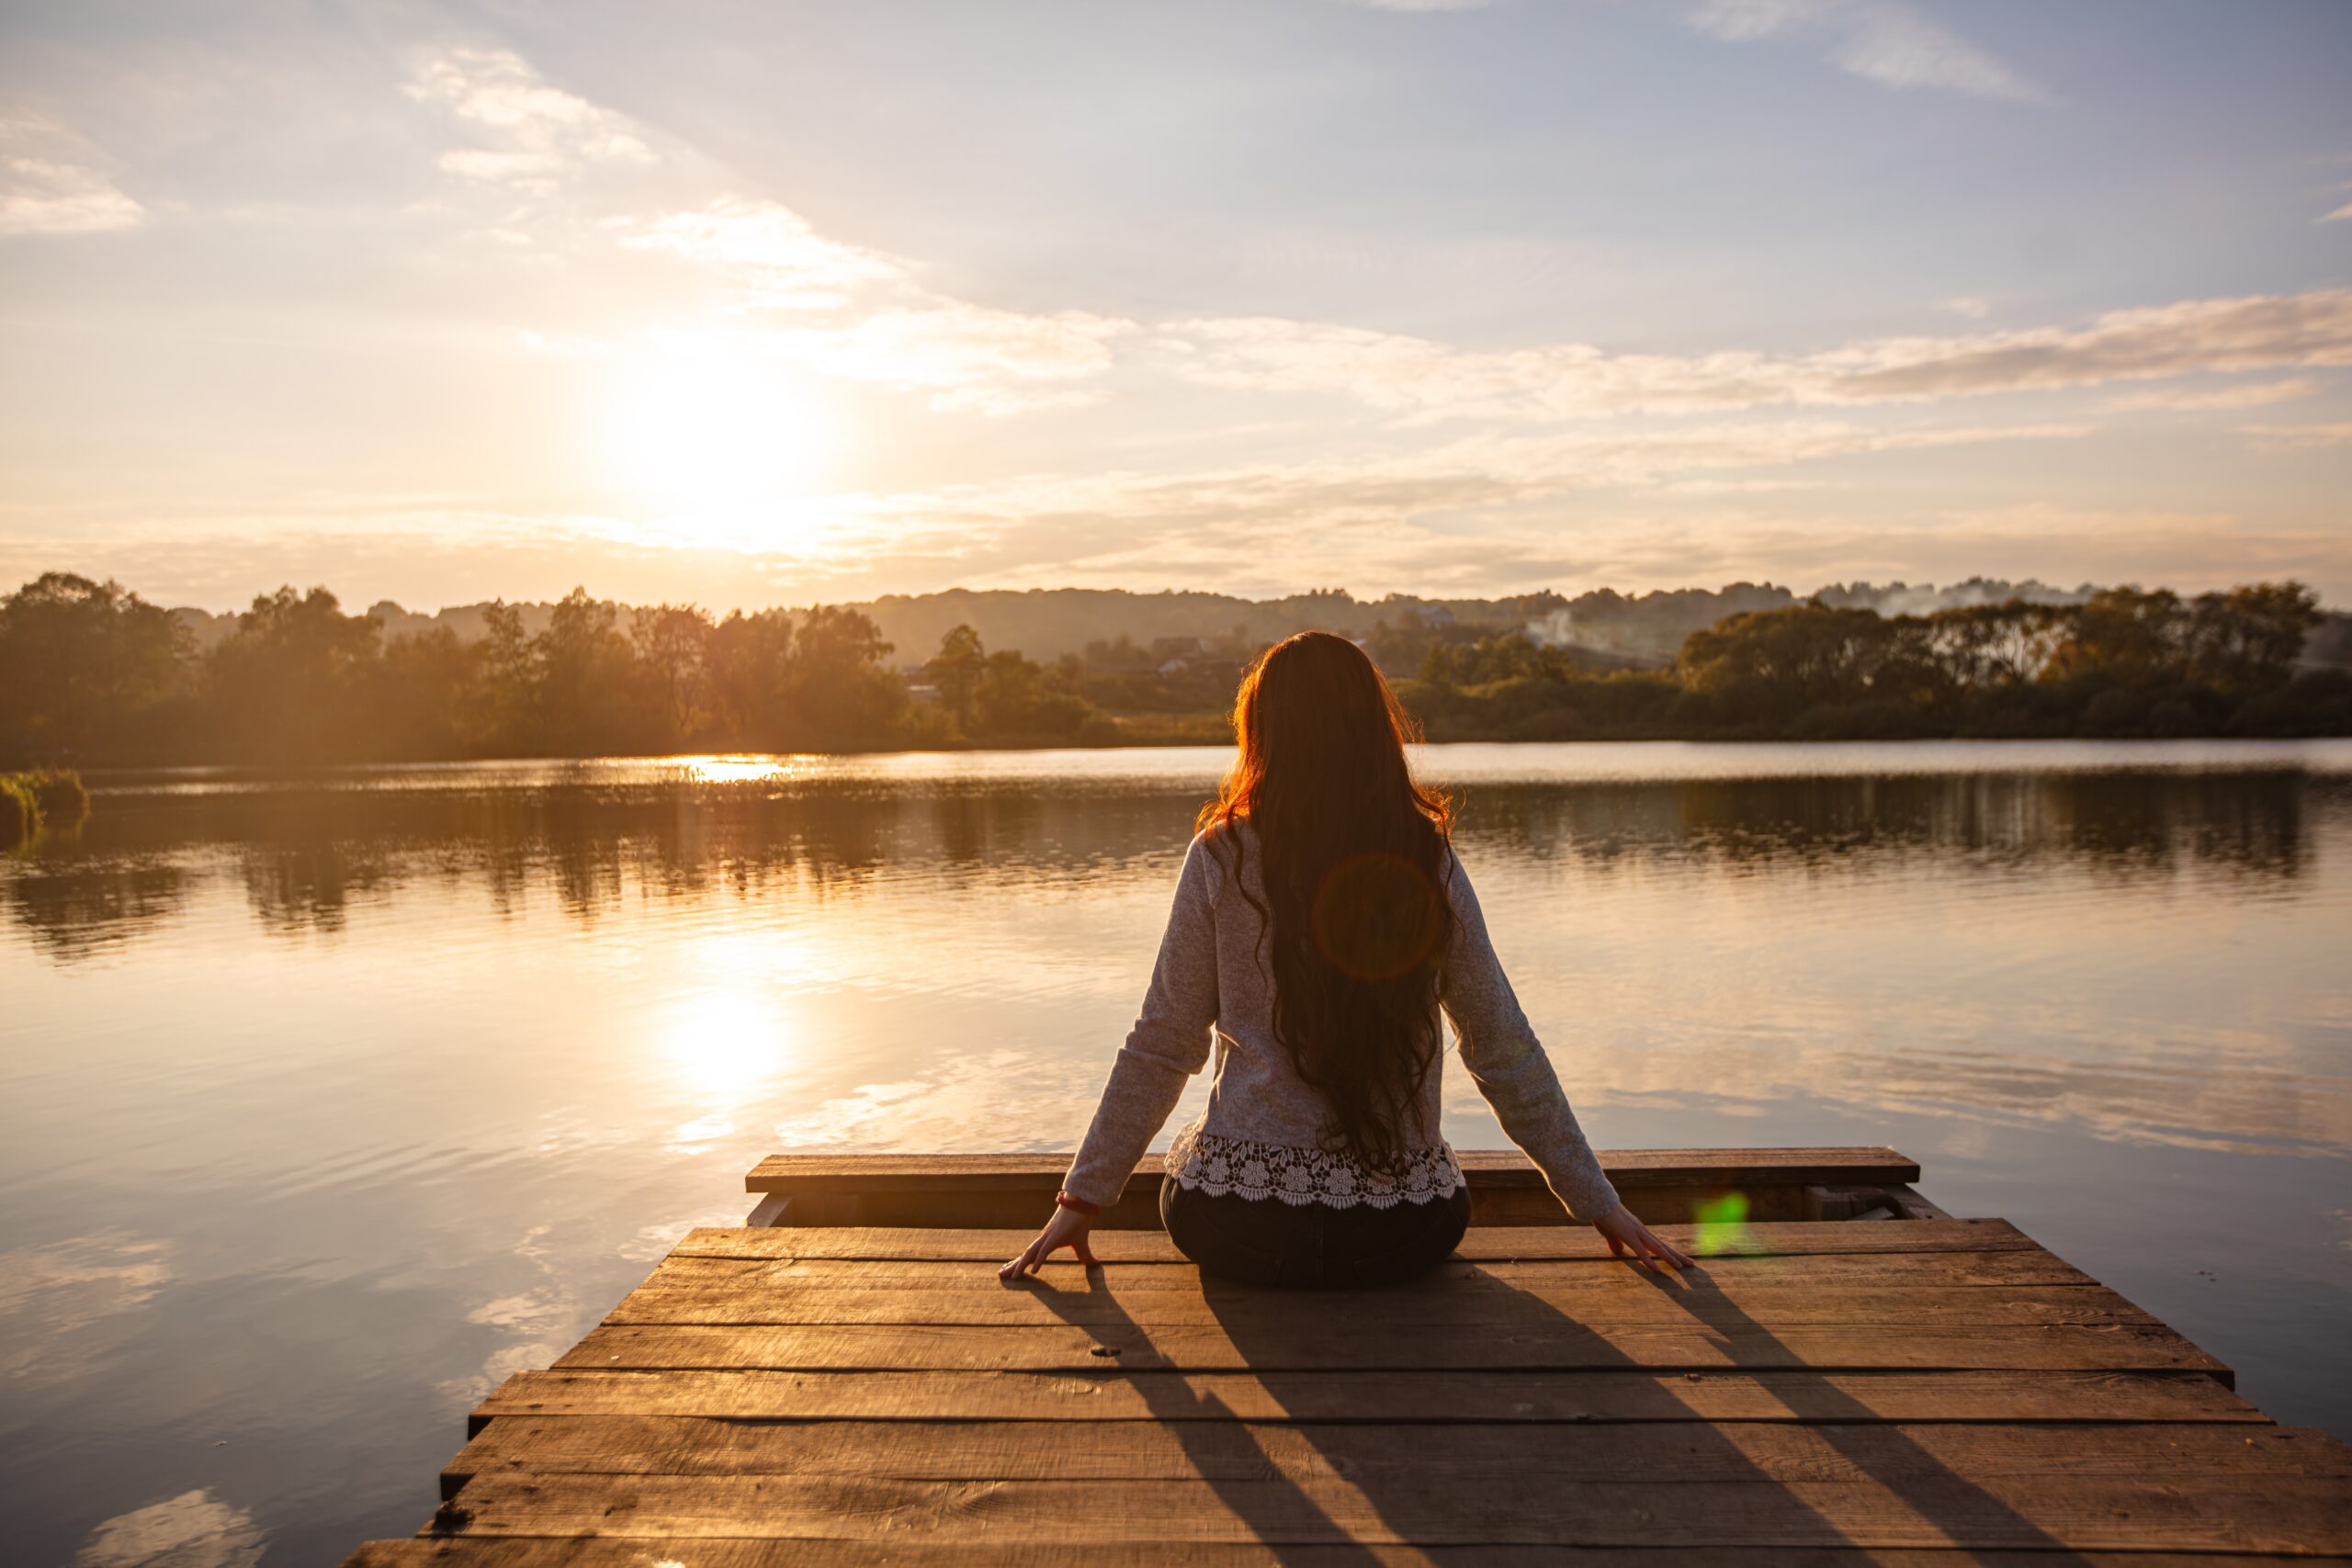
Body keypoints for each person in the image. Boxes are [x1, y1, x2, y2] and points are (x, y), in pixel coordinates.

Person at [1001, 630, 1690, 1287]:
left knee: (1194, 1158)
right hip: (1401, 1236)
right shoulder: (1425, 858)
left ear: (1262, 732)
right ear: (1374, 730)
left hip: (1242, 1227)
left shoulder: (1221, 856)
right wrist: (1598, 1201)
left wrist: (1083, 1197)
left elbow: (1163, 1042)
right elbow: (1501, 1044)